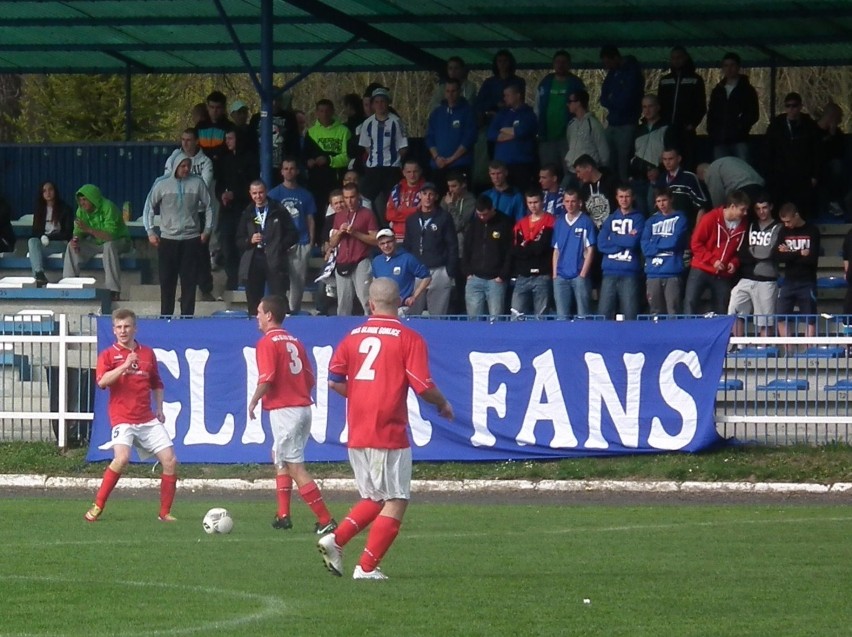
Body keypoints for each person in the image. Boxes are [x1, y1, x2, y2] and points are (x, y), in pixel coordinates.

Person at [319, 277, 454, 580]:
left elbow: (334, 380)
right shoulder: (409, 338)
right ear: (402, 301)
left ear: (370, 303)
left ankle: (336, 540)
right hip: (387, 428)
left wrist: (363, 395)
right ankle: (366, 568)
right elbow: (422, 385)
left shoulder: (352, 336)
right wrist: (443, 403)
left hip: (358, 429)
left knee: (375, 496)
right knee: (396, 498)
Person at [247, 294, 337, 533]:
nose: (256, 316)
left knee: (295, 466)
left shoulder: (267, 342)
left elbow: (267, 378)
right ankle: (283, 515)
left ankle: (326, 520)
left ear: (269, 315)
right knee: (280, 456)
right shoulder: (294, 341)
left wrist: (254, 401)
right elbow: (309, 377)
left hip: (285, 410)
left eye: (259, 312)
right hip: (301, 407)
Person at [85, 308, 178, 522]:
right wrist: (125, 366)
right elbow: (101, 381)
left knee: (170, 460)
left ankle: (164, 513)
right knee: (122, 458)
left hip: (146, 418)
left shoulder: (147, 353)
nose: (123, 331)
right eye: (118, 327)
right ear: (114, 330)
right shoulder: (108, 355)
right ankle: (98, 505)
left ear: (135, 328)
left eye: (126, 326)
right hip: (122, 417)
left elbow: (157, 383)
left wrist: (160, 408)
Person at [143, 153, 214, 317]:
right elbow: (149, 208)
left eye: (188, 165)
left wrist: (207, 230)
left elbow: (209, 206)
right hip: (168, 239)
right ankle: (166, 316)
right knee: (167, 281)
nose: (186, 169)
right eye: (183, 166)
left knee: (189, 281)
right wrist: (150, 231)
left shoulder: (197, 182)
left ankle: (187, 317)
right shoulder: (161, 183)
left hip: (191, 238)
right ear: (175, 166)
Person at [236, 180, 299, 317]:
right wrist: (249, 240)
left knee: (278, 296)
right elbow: (239, 240)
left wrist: (280, 246)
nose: (258, 196)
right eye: (254, 193)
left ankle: (283, 327)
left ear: (266, 192)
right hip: (254, 258)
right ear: (250, 194)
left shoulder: (278, 209)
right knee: (253, 298)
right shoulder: (247, 212)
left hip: (274, 257)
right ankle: (254, 325)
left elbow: (293, 234)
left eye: (261, 192)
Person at [683, 190, 749, 315]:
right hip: (701, 268)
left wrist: (734, 263)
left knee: (722, 306)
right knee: (690, 303)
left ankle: (719, 334)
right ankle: (688, 333)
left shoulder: (743, 224)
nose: (745, 213)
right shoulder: (710, 218)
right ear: (732, 207)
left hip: (722, 273)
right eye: (742, 209)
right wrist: (713, 260)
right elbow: (695, 243)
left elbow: (741, 250)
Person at [63, 184, 131, 302]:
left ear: (93, 198)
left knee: (109, 246)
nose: (82, 203)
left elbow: (110, 236)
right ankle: (69, 286)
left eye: (85, 199)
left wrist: (89, 229)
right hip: (96, 242)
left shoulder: (109, 207)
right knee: (71, 246)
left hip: (120, 241)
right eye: (80, 200)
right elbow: (78, 231)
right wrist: (76, 240)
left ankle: (113, 291)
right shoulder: (81, 211)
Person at [268, 158, 317, 314]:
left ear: (297, 171)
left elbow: (310, 219)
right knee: (277, 280)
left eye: (292, 168)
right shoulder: (274, 194)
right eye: (286, 168)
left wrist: (310, 242)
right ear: (281, 171)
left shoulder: (305, 194)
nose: (289, 171)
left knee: (298, 281)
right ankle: (279, 312)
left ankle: (293, 312)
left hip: (301, 241)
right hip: (280, 243)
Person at [728, 194, 780, 337]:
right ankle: (738, 347)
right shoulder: (750, 226)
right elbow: (742, 251)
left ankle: (763, 350)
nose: (761, 212)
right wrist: (755, 252)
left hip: (767, 279)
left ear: (771, 207)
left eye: (764, 208)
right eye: (758, 209)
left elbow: (770, 252)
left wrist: (752, 250)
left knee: (764, 320)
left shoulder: (778, 227)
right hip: (746, 277)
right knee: (734, 310)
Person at [402, 182, 458, 316]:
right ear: (419, 195)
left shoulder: (444, 217)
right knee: (412, 313)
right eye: (425, 194)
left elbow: (452, 245)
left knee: (437, 315)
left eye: (431, 194)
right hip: (416, 271)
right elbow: (407, 245)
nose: (427, 197)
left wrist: (449, 272)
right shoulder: (412, 219)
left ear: (436, 197)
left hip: (438, 270)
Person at [764, 92, 821, 219]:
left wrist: (815, 175)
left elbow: (816, 152)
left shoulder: (809, 125)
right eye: (788, 106)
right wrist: (770, 173)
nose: (791, 109)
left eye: (794, 106)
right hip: (781, 173)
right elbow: (769, 150)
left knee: (802, 206)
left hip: (803, 173)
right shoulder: (776, 125)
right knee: (780, 203)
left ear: (800, 106)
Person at [216, 129, 260, 290]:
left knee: (243, 243)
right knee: (227, 244)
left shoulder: (250, 159)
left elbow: (252, 185)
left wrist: (236, 194)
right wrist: (222, 195)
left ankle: (245, 278)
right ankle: (232, 278)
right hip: (227, 210)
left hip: (244, 209)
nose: (227, 141)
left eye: (230, 138)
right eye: (225, 138)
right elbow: (219, 183)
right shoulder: (224, 159)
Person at [359, 87, 408, 225]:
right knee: (365, 197)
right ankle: (367, 225)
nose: (380, 105)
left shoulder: (396, 121)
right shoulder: (368, 123)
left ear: (388, 103)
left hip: (391, 169)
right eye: (377, 102)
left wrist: (393, 159)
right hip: (373, 168)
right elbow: (366, 146)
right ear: (373, 104)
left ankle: (393, 227)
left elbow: (403, 146)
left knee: (392, 199)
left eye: (383, 101)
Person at [596, 184, 645, 320]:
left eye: (627, 196)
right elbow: (601, 244)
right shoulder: (610, 219)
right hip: (609, 272)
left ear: (633, 198)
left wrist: (613, 237)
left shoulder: (639, 219)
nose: (624, 200)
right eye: (621, 197)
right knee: (603, 315)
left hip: (629, 272)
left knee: (630, 315)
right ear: (617, 198)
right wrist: (625, 239)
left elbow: (633, 243)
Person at [329, 182, 379, 315]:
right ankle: (342, 331)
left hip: (361, 260)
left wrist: (355, 233)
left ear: (358, 197)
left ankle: (371, 326)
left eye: (352, 197)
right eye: (346, 197)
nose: (349, 201)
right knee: (343, 303)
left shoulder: (367, 214)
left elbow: (375, 240)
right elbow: (332, 243)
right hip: (343, 261)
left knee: (366, 300)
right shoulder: (339, 216)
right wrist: (340, 232)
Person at [775, 203, 821, 342]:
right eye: (784, 222)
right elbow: (778, 257)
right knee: (781, 316)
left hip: (807, 281)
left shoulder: (812, 230)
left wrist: (789, 252)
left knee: (809, 318)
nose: (786, 225)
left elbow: (812, 259)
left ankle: (808, 353)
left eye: (788, 221)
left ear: (796, 215)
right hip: (788, 281)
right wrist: (799, 253)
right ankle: (788, 352)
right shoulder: (783, 231)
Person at [306, 99, 352, 236]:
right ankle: (320, 241)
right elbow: (304, 156)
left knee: (338, 209)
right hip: (316, 180)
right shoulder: (311, 132)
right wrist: (308, 161)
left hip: (335, 178)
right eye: (321, 111)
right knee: (318, 211)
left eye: (327, 111)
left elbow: (348, 157)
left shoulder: (344, 131)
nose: (324, 114)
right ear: (316, 113)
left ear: (332, 112)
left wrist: (329, 159)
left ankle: (339, 236)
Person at [599, 46, 645, 182]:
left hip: (627, 123)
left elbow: (629, 98)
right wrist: (613, 101)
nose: (607, 66)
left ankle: (624, 189)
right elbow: (603, 98)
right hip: (612, 122)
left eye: (608, 62)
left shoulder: (632, 72)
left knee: (623, 160)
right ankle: (610, 187)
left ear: (616, 58)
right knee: (607, 158)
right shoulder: (612, 74)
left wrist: (614, 100)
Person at [463, 196, 513, 318]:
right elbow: (466, 247)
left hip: (496, 280)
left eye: (484, 214)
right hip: (474, 278)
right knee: (474, 320)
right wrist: (467, 272)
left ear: (492, 209)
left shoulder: (505, 223)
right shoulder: (474, 222)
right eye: (479, 214)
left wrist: (502, 275)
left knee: (495, 320)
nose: (482, 217)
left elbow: (510, 251)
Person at [656, 45, 706, 170]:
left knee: (687, 161)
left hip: (686, 129)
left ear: (686, 58)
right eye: (673, 58)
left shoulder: (695, 79)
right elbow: (659, 104)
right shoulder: (664, 80)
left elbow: (701, 105)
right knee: (668, 162)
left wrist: (692, 123)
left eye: (679, 57)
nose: (676, 60)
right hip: (668, 129)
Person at [640, 188, 689, 316]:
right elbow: (645, 247)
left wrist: (655, 243)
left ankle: (674, 336)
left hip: (672, 271)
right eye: (658, 201)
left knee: (674, 310)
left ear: (671, 199)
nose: (661, 204)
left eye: (664, 200)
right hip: (653, 273)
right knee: (655, 312)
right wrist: (664, 243)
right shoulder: (650, 221)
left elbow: (675, 241)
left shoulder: (680, 218)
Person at [706, 52, 759, 162]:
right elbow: (711, 113)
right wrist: (712, 131)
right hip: (719, 140)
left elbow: (753, 114)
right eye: (726, 65)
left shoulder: (747, 90)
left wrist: (740, 127)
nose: (729, 69)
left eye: (732, 65)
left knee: (742, 171)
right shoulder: (718, 90)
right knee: (722, 171)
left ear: (738, 67)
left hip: (739, 140)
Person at [536, 50, 586, 167]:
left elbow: (583, 109)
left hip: (569, 139)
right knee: (549, 171)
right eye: (558, 62)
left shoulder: (576, 84)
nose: (560, 65)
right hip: (546, 137)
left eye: (564, 62)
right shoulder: (545, 82)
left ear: (569, 64)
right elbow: (537, 108)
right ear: (553, 64)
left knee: (570, 170)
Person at [509, 190, 555, 316]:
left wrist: (526, 247)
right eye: (530, 203)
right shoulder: (520, 224)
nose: (533, 205)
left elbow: (542, 248)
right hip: (523, 275)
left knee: (541, 316)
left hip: (542, 275)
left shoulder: (550, 221)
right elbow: (515, 250)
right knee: (516, 315)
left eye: (536, 202)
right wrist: (532, 247)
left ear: (542, 202)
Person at [552, 189, 597, 318]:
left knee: (583, 315)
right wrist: (555, 274)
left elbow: (590, 250)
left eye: (573, 201)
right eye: (567, 201)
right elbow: (556, 250)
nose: (570, 204)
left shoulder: (586, 221)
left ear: (579, 203)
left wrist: (583, 274)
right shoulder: (559, 222)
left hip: (579, 275)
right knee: (562, 316)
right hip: (561, 275)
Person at [425, 78, 477, 189]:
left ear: (459, 91)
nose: (450, 94)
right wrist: (437, 157)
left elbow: (469, 138)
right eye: (448, 91)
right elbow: (429, 137)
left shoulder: (468, 111)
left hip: (459, 164)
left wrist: (451, 159)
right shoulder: (437, 112)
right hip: (438, 165)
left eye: (453, 91)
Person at [487, 83, 538, 190]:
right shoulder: (502, 114)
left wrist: (504, 130)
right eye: (504, 95)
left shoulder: (528, 113)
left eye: (507, 95)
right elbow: (491, 133)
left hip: (521, 164)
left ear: (518, 95)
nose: (504, 98)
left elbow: (525, 130)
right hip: (502, 165)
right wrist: (514, 133)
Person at [371, 228, 431, 313]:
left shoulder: (407, 258)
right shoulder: (376, 261)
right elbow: (375, 282)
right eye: (382, 243)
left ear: (395, 241)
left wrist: (414, 297)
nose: (386, 246)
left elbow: (427, 277)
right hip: (382, 309)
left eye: (389, 242)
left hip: (401, 309)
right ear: (378, 245)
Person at [28, 181, 73, 287]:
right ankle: (39, 274)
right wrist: (43, 237)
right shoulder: (39, 209)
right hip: (44, 242)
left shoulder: (65, 209)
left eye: (50, 189)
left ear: (55, 191)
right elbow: (35, 232)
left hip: (59, 243)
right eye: (44, 191)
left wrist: (50, 237)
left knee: (35, 251)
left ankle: (38, 279)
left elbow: (67, 233)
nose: (48, 193)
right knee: (32, 242)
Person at [564, 89, 610, 187]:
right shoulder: (571, 124)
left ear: (579, 103)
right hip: (571, 170)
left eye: (570, 101)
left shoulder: (593, 124)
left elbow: (603, 151)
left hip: (587, 173)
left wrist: (599, 170)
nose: (568, 104)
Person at [696, 157, 765, 208]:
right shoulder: (728, 160)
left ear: (704, 172)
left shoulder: (711, 170)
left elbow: (717, 194)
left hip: (742, 191)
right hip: (759, 186)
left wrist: (719, 213)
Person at [385, 159, 425, 243]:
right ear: (403, 172)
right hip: (397, 235)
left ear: (420, 171)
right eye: (409, 172)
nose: (412, 175)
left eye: (415, 171)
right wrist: (415, 210)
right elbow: (389, 215)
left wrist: (400, 211)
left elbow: (423, 214)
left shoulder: (426, 190)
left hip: (418, 235)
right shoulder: (396, 190)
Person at [195, 90, 234, 164]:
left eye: (218, 108)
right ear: (207, 108)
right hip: (202, 166)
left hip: (222, 167)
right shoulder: (200, 126)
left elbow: (227, 148)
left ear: (223, 108)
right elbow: (194, 145)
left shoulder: (229, 127)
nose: (214, 111)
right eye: (212, 107)